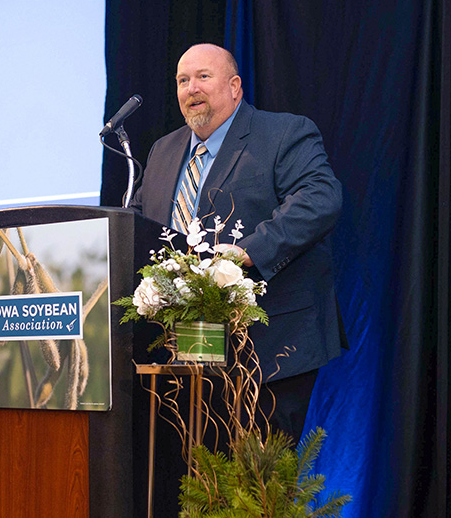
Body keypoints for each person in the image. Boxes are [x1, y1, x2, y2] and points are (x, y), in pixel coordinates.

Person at [129, 43, 347, 443]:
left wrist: (248, 252)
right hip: (177, 355)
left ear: (235, 86)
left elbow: (320, 198)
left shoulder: (283, 133)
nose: (190, 88)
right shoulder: (163, 151)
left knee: (254, 489)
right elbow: (139, 228)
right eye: (182, 80)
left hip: (268, 348)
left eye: (203, 77)